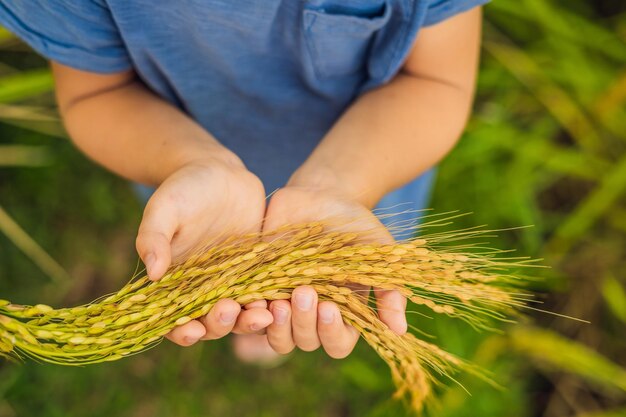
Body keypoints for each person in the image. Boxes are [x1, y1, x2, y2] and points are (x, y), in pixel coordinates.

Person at [0, 0, 485, 363]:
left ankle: (266, 320)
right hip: (182, 163)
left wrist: (339, 187)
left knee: (302, 296)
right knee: (238, 291)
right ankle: (258, 322)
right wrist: (197, 163)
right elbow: (97, 92)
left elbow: (435, 80)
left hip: (366, 169)